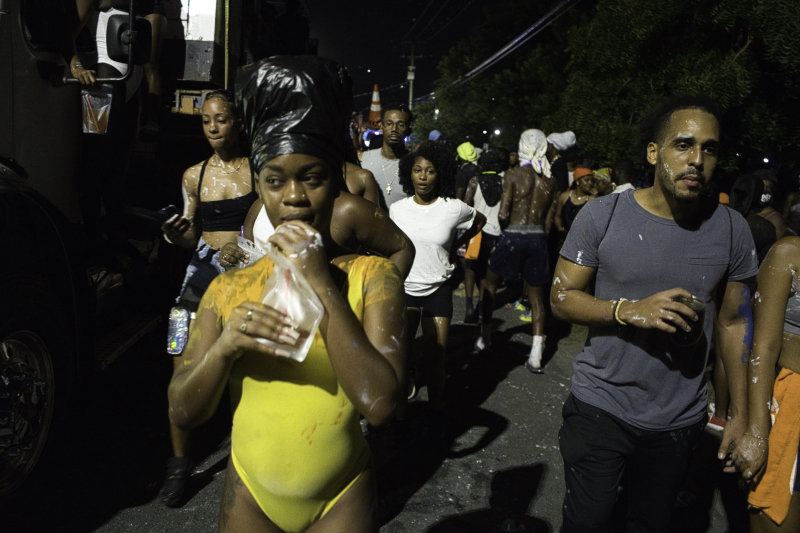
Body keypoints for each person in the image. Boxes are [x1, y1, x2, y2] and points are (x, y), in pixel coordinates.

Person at [169, 56, 405, 532]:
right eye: (275, 181)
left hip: (342, 497)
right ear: (259, 188)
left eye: (312, 178)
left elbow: (381, 405)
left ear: (336, 184)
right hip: (250, 497)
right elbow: (182, 410)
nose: (293, 196)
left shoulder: (372, 278)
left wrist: (322, 285)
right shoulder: (228, 289)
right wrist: (226, 347)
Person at [550, 94, 757, 533]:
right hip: (601, 404)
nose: (697, 159)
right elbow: (562, 297)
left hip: (678, 419)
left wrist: (739, 414)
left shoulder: (732, 229)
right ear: (653, 152)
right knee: (588, 522)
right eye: (683, 145)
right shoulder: (603, 215)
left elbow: (734, 322)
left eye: (709, 149)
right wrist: (628, 310)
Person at [158, 89, 259, 506]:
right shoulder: (193, 176)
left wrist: (244, 247)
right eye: (206, 120)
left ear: (238, 123)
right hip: (200, 271)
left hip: (246, 270)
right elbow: (189, 233)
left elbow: (268, 227)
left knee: (246, 362)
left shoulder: (257, 170)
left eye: (221, 119)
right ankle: (179, 465)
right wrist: (176, 234)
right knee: (178, 348)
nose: (213, 127)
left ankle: (249, 457)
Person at [389, 142, 485, 424]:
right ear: (409, 173)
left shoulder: (452, 208)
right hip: (405, 289)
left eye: (430, 171)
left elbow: (478, 220)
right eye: (417, 170)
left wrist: (456, 245)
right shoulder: (397, 210)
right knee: (402, 357)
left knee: (436, 358)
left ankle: (434, 413)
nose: (422, 176)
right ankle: (399, 419)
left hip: (438, 289)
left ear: (439, 174)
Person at [734, 212, 800, 532]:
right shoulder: (789, 253)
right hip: (791, 406)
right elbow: (763, 348)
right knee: (777, 517)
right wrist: (757, 432)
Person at [476, 129, 557, 374]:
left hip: (512, 235)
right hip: (538, 239)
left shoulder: (512, 175)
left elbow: (502, 214)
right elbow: (548, 223)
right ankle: (536, 355)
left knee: (489, 284)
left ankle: (485, 339)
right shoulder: (551, 180)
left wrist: (508, 233)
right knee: (537, 298)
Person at [463, 149, 505, 323]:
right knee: (486, 271)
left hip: (476, 231)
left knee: (470, 267)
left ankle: (468, 307)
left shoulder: (475, 181)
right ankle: (481, 307)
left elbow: (466, 205)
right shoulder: (504, 182)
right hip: (496, 232)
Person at [359, 103, 413, 211]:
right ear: (381, 128)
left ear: (408, 130)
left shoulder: (416, 165)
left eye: (401, 125)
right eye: (389, 124)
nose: (394, 129)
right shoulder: (362, 159)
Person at [554, 166, 595, 242]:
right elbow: (557, 216)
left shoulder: (593, 199)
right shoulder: (564, 196)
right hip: (565, 240)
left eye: (592, 181)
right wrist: (560, 229)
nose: (590, 183)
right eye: (586, 180)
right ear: (578, 182)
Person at [754, 168, 787, 240]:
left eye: (770, 188)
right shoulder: (743, 210)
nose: (765, 190)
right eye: (761, 186)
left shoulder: (776, 219)